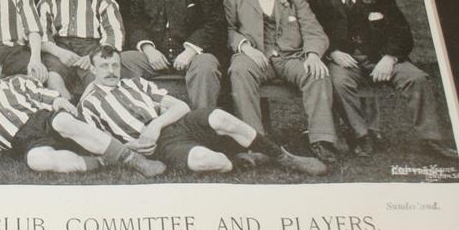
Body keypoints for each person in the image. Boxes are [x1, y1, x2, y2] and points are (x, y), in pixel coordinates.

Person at [79, 45, 326, 175]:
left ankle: (283, 156)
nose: (111, 71)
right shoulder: (89, 103)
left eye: (115, 65)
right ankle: (235, 163)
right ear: (92, 69)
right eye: (104, 66)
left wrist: (155, 124)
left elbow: (181, 106)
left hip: (175, 125)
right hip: (158, 147)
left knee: (218, 115)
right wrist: (132, 147)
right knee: (204, 160)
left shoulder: (135, 83)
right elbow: (98, 142)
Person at [310, 0, 458, 160]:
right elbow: (315, 31)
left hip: (379, 57)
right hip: (343, 59)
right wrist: (332, 52)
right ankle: (362, 136)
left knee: (417, 78)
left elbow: (401, 31)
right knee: (338, 82)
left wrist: (389, 58)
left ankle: (432, 139)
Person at [0, 47, 165, 176]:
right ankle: (102, 161)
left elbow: (49, 98)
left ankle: (134, 160)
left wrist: (60, 104)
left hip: (43, 119)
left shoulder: (17, 82)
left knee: (63, 121)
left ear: (1, 69)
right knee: (37, 161)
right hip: (23, 142)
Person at [224, 0, 339, 163]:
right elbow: (228, 30)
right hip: (254, 55)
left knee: (317, 73)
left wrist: (313, 55)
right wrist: (246, 47)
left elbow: (314, 31)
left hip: (290, 56)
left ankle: (321, 140)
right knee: (239, 71)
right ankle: (255, 141)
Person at [122, 0, 224, 109]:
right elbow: (134, 23)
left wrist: (190, 50)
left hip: (193, 55)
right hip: (156, 54)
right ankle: (141, 117)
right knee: (123, 61)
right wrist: (149, 49)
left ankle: (202, 122)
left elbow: (214, 22)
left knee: (206, 65)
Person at [37, 0, 123, 100]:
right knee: (53, 76)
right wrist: (59, 53)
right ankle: (67, 107)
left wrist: (93, 56)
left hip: (93, 47)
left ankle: (90, 107)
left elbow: (114, 33)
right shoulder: (47, 1)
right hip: (59, 47)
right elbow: (41, 34)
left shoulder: (102, 0)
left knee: (98, 77)